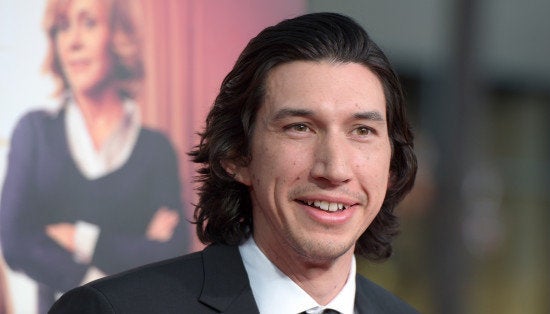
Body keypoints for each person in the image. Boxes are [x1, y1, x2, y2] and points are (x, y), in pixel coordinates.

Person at [49, 12, 419, 313]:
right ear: (236, 155)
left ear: (391, 164)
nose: (335, 169)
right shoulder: (115, 310)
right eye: (300, 127)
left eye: (362, 131)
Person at [0, 0, 189, 312]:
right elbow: (17, 242)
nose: (73, 42)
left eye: (88, 23)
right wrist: (94, 284)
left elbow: (171, 254)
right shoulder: (34, 133)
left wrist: (80, 237)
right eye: (63, 27)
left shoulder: (156, 150)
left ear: (118, 36)